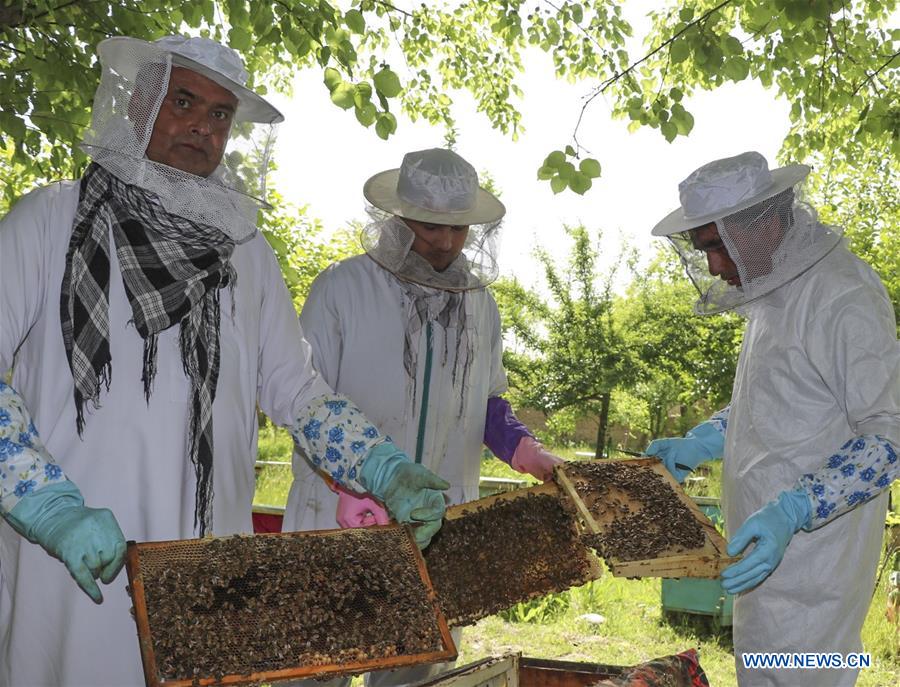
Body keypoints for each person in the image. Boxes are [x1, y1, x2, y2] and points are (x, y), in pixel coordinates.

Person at [0, 35, 448, 687]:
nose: (202, 128)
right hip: (70, 573)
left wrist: (382, 465)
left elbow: (299, 391)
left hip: (208, 579)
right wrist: (47, 505)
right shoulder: (50, 220)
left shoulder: (245, 253)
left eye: (219, 115)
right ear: (141, 102)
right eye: (184, 101)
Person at [283, 147, 563, 687]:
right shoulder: (342, 289)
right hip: (339, 511)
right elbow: (300, 403)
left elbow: (486, 401)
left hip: (439, 519)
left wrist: (525, 450)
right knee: (317, 667)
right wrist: (345, 484)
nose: (447, 243)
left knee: (419, 671)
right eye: (431, 226)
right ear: (397, 216)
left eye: (458, 228)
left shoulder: (480, 304)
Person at [645, 151, 899, 687]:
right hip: (762, 557)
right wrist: (703, 440)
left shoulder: (843, 293)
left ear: (765, 224)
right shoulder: (772, 293)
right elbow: (774, 400)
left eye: (716, 246)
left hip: (814, 566)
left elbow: (889, 434)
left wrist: (795, 509)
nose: (712, 266)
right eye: (703, 249)